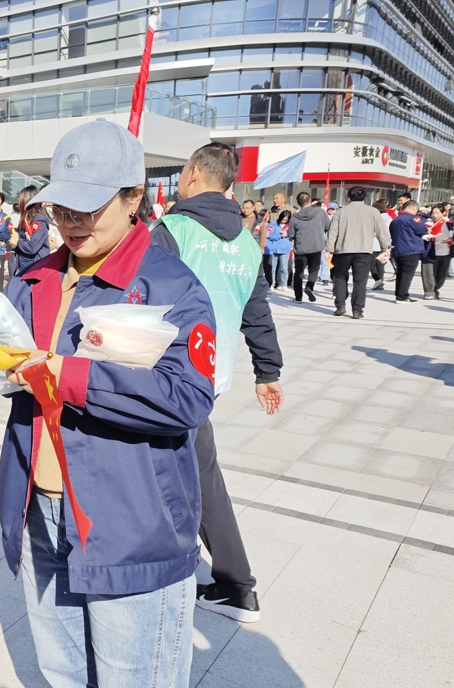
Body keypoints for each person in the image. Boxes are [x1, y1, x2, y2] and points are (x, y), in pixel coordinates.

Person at [0, 119, 216, 688]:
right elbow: (9, 376)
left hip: (129, 524)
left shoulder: (168, 284)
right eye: (59, 207)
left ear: (134, 198)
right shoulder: (36, 276)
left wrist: (69, 375)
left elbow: (187, 396)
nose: (69, 222)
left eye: (87, 206)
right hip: (42, 515)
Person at [151, 142, 283, 623]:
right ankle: (232, 582)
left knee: (180, 474)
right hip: (211, 377)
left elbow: (142, 298)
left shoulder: (174, 230)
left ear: (191, 174)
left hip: (165, 375)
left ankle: (228, 582)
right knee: (197, 468)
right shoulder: (246, 243)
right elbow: (257, 311)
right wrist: (268, 372)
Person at [325, 186, 391, 318]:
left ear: (348, 198)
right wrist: (386, 248)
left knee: (340, 277)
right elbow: (382, 231)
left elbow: (332, 233)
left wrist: (329, 250)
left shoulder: (340, 212)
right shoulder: (373, 212)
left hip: (343, 250)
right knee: (360, 281)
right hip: (364, 251)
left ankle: (340, 305)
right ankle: (357, 310)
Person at [288, 193, 330, 302]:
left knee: (299, 272)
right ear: (310, 200)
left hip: (301, 247)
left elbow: (291, 234)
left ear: (298, 203)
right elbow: (328, 226)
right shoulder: (320, 212)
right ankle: (309, 287)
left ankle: (298, 297)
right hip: (316, 246)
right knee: (314, 269)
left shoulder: (295, 217)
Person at [389, 200, 429, 303]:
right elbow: (422, 230)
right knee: (407, 274)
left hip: (398, 249)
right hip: (411, 249)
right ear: (414, 208)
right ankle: (402, 296)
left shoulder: (395, 220)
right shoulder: (412, 218)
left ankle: (399, 295)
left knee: (400, 273)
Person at [10, 184, 51, 275]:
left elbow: (32, 247)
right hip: (22, 266)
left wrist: (18, 242)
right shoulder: (26, 219)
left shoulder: (39, 221)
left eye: (20, 199)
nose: (18, 202)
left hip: (33, 269)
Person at [425, 204, 454, 299]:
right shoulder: (427, 224)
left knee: (442, 276)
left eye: (437, 213)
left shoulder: (449, 223)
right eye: (433, 213)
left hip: (446, 252)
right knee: (431, 274)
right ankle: (431, 291)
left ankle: (436, 289)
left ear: (443, 213)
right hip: (432, 252)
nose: (434, 215)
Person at [263, 209, 293, 289]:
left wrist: (287, 234)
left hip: (284, 248)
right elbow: (268, 234)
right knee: (272, 268)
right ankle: (271, 284)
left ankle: (284, 284)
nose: (284, 221)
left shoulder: (291, 226)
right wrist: (278, 236)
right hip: (273, 248)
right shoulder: (273, 224)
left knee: (284, 268)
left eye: (286, 220)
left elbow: (294, 235)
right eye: (283, 219)